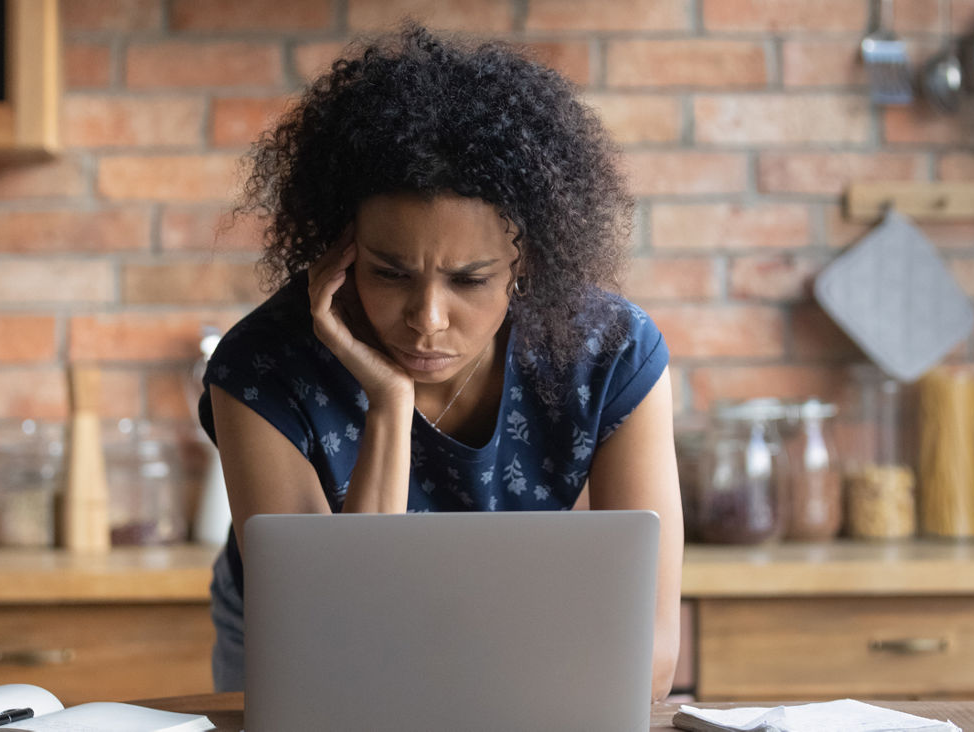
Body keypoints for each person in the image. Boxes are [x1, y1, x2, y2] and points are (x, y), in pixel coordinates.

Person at [199, 24, 683, 702]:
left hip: (523, 624)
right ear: (343, 249)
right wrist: (389, 408)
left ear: (527, 264)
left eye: (470, 279)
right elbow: (338, 652)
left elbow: (652, 661)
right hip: (295, 638)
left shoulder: (611, 354)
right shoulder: (262, 368)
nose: (427, 319)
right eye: (390, 274)